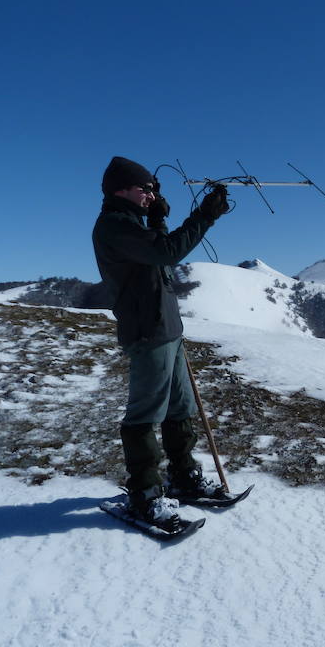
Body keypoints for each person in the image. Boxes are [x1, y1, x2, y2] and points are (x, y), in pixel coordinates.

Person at [92, 155, 230, 530]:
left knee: (179, 408)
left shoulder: (135, 223)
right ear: (121, 190)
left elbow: (159, 255)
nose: (152, 194)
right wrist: (204, 217)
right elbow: (165, 252)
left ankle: (184, 478)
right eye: (145, 189)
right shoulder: (114, 226)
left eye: (154, 189)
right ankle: (145, 495)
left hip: (168, 329)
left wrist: (157, 219)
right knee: (145, 414)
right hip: (148, 331)